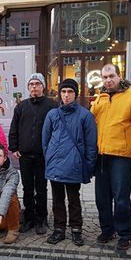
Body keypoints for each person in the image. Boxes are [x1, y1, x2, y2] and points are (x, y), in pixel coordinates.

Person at [91, 64, 131, 251]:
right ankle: (107, 230)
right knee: (101, 198)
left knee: (121, 198)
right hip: (102, 155)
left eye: (111, 76)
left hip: (122, 156)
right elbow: (93, 122)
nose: (108, 80)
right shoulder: (101, 97)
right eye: (105, 77)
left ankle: (124, 234)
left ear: (119, 76)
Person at [42, 79, 97, 246]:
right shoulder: (52, 114)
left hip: (74, 164)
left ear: (76, 94)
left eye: (70, 92)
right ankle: (59, 229)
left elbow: (91, 143)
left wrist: (89, 165)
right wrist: (50, 158)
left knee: (74, 198)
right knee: (57, 199)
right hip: (55, 164)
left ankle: (76, 229)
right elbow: (45, 140)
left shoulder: (85, 115)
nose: (66, 95)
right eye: (63, 91)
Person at [8, 73, 57, 235]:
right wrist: (14, 147)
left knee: (41, 188)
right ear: (28, 87)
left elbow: (57, 131)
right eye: (31, 84)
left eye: (37, 84)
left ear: (43, 86)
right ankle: (29, 217)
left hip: (44, 155)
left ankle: (41, 218)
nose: (34, 86)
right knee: (27, 188)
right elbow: (13, 129)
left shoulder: (52, 106)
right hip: (25, 155)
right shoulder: (21, 107)